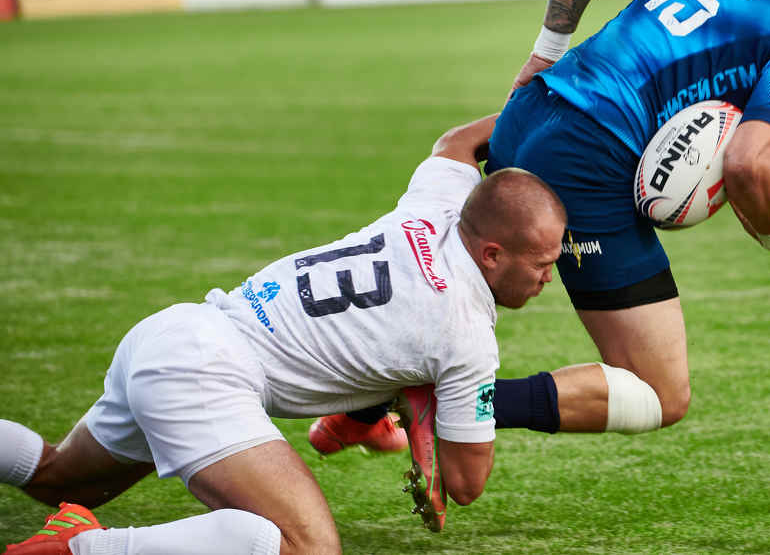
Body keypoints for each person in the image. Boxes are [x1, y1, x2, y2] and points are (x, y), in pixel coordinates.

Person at [308, 0, 770, 449]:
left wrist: (543, 56)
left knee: (462, 268)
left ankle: (358, 410)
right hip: (591, 158)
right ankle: (447, 405)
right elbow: (747, 163)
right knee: (662, 390)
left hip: (534, 108)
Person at [1, 115, 567, 555]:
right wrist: (436, 395)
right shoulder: (465, 331)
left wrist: (544, 106)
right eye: (541, 263)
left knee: (57, 479)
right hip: (205, 372)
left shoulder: (436, 206)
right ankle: (79, 545)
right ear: (492, 255)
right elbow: (467, 483)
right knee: (308, 546)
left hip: (178, 329)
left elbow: (459, 141)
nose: (550, 276)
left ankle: (72, 525)